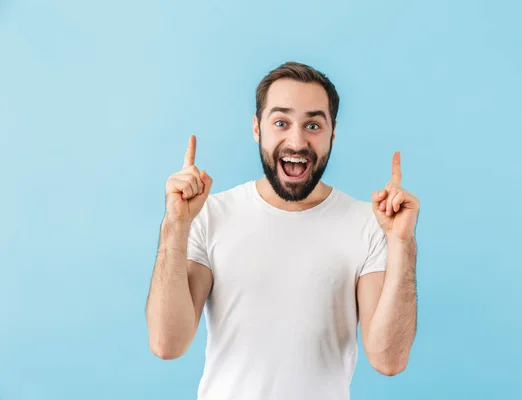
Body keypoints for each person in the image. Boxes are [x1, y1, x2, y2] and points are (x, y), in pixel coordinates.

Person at [145, 61, 420, 400]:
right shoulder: (210, 214)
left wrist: (402, 244)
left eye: (313, 125)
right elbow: (166, 343)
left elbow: (388, 360)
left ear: (333, 133)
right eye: (281, 122)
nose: (297, 140)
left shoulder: (368, 223)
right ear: (257, 128)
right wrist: (175, 226)